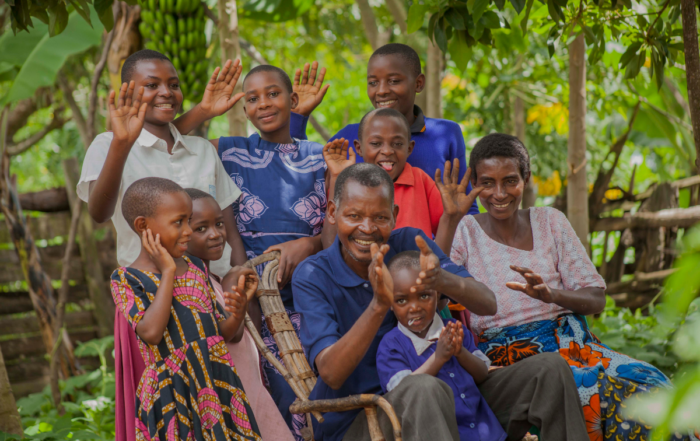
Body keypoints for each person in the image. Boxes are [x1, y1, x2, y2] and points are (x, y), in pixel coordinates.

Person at [292, 163, 587, 441]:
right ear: (332, 212)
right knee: (423, 389)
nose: (367, 228)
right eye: (354, 216)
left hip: (454, 399)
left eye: (380, 217)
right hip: (362, 421)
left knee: (550, 369)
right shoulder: (313, 275)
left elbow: (487, 303)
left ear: (394, 215)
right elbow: (331, 373)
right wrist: (379, 305)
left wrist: (441, 280)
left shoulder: (408, 242)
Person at [450, 133, 692, 441]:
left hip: (577, 345)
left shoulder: (550, 221)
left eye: (510, 180)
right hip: (514, 360)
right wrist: (449, 217)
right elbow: (440, 282)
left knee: (651, 385)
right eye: (487, 182)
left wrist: (551, 295)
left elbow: (596, 297)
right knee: (599, 392)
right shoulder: (465, 232)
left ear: (527, 178)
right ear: (475, 184)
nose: (499, 193)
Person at [173, 64, 328, 439]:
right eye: (253, 98)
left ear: (293, 101)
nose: (263, 104)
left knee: (320, 375)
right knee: (272, 379)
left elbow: (340, 220)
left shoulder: (321, 156)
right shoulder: (230, 150)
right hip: (251, 291)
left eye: (273, 94)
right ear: (244, 111)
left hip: (312, 286)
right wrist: (206, 110)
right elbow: (170, 137)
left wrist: (309, 243)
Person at [110, 177, 260, 440]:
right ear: (143, 226)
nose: (188, 231)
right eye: (178, 222)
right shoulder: (126, 279)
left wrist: (237, 312)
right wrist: (167, 270)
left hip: (216, 380)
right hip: (173, 392)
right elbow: (152, 333)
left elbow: (219, 333)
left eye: (189, 220)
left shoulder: (195, 266)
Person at [77, 50, 247, 279]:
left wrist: (243, 280)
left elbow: (230, 231)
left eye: (174, 85)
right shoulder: (108, 145)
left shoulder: (202, 149)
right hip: (151, 290)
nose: (166, 92)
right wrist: (121, 144)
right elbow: (99, 213)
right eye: (151, 85)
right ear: (128, 91)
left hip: (217, 290)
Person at [288, 44, 480, 212]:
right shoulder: (349, 136)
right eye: (373, 82)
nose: (381, 91)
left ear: (418, 83)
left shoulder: (445, 134)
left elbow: (464, 204)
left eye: (394, 81)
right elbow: (297, 174)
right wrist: (298, 117)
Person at [184, 187, 295, 441]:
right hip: (232, 400)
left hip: (248, 389)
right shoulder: (194, 284)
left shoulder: (209, 279)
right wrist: (232, 291)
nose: (216, 235)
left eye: (219, 224)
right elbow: (230, 335)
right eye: (201, 228)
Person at [377, 251, 506, 441]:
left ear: (437, 295)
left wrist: (460, 352)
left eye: (424, 296)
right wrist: (438, 358)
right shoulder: (391, 346)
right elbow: (403, 394)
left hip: (485, 432)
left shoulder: (455, 329)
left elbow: (482, 373)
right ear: (389, 302)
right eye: (401, 300)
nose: (414, 307)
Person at [327, 107, 482, 254]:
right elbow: (329, 246)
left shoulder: (421, 181)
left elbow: (440, 257)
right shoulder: (351, 183)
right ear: (359, 148)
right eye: (376, 143)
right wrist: (335, 177)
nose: (387, 151)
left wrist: (450, 216)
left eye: (397, 144)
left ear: (409, 148)